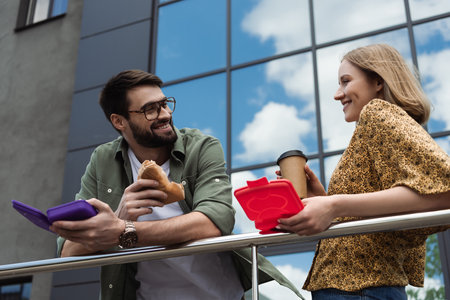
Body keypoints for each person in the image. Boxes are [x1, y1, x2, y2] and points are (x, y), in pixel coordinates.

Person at [51, 69, 303, 300]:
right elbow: (68, 251)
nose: (165, 114)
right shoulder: (102, 160)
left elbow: (215, 220)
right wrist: (118, 218)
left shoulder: (202, 146)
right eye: (150, 109)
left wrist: (123, 230)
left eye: (164, 103)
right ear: (119, 121)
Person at [276, 44, 450, 299]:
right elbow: (368, 222)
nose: (338, 94)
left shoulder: (378, 113)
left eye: (346, 82)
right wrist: (323, 199)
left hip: (361, 291)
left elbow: (444, 190)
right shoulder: (370, 131)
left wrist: (334, 205)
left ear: (378, 81)